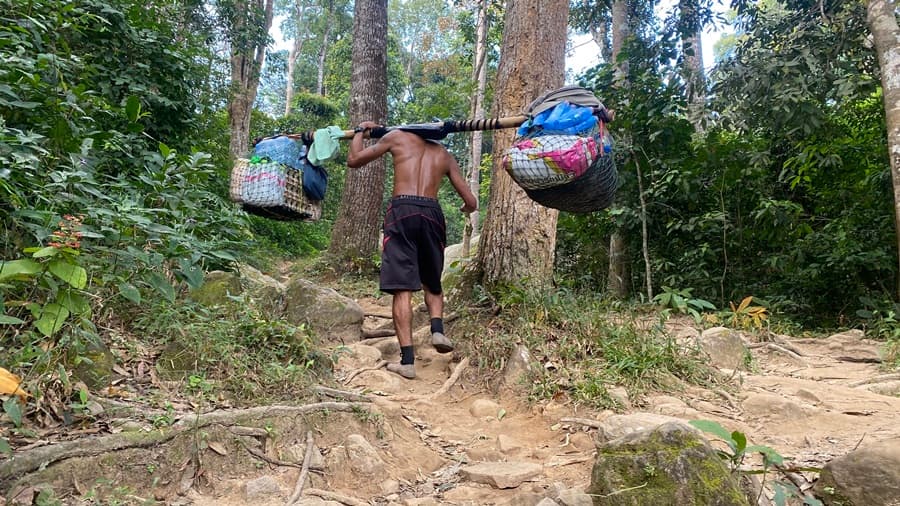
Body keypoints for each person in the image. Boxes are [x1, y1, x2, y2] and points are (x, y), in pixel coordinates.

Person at [347, 121, 478, 380]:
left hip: (402, 210)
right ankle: (437, 329)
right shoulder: (444, 154)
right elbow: (471, 202)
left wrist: (360, 133)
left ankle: (407, 361)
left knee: (402, 289)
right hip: (432, 213)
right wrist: (465, 210)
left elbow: (354, 160)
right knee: (432, 281)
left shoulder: (397, 137)